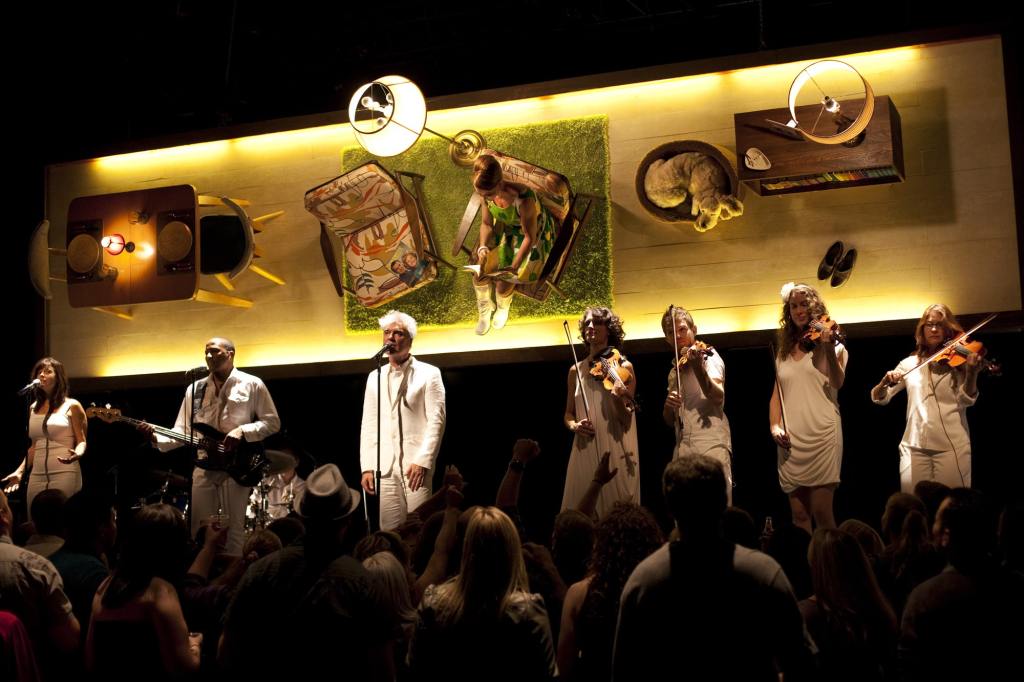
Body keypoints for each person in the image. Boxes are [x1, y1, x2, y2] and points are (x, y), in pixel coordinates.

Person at [612, 456, 816, 681]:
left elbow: (623, 673)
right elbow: (802, 663)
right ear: (723, 503)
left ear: (669, 508)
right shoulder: (763, 573)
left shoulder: (644, 581)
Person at [140, 337, 280, 556]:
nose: (208, 356)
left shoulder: (252, 384)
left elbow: (272, 422)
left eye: (215, 351)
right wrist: (156, 438)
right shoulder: (195, 389)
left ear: (230, 354)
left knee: (234, 529)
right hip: (205, 464)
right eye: (206, 352)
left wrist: (243, 431)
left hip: (237, 465)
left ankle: (232, 572)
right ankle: (202, 571)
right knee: (199, 528)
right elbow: (183, 431)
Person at [409, 506, 557, 681]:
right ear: (511, 551)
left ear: (466, 550)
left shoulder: (433, 603)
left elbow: (413, 669)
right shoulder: (528, 611)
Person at [871, 304, 982, 491]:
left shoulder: (958, 364)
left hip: (952, 447)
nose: (934, 329)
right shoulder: (909, 364)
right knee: (913, 503)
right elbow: (880, 397)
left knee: (951, 504)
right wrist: (884, 382)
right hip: (913, 446)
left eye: (939, 325)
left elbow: (967, 400)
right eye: (929, 324)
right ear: (922, 329)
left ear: (948, 329)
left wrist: (972, 374)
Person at [85, 503, 198, 678]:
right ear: (174, 548)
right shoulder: (160, 591)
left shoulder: (105, 587)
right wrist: (195, 645)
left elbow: (90, 661)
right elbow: (182, 667)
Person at [769, 282, 848, 531]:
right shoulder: (783, 352)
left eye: (804, 304)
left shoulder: (834, 345)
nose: (799, 310)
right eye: (793, 306)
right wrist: (774, 426)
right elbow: (777, 394)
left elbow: (837, 381)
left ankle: (829, 558)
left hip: (822, 432)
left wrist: (827, 347)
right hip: (792, 438)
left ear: (814, 307)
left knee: (823, 513)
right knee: (799, 515)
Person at [361, 310, 446, 531]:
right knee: (390, 532)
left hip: (415, 465)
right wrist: (367, 467)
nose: (390, 337)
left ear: (410, 340)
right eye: (387, 332)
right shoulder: (375, 376)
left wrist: (424, 460)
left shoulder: (429, 373)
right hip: (384, 467)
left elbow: (436, 421)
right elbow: (369, 424)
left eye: (398, 333)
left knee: (419, 527)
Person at [562, 307, 639, 518]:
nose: (590, 327)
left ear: (609, 329)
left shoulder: (624, 367)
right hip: (584, 447)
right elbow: (568, 414)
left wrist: (616, 398)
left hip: (614, 446)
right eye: (587, 323)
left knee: (614, 516)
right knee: (579, 518)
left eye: (597, 322)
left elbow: (626, 419)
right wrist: (574, 426)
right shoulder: (575, 371)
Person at [470, 154, 557, 335]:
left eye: (488, 194)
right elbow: (486, 223)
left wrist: (514, 266)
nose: (484, 198)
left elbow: (530, 238)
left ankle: (503, 307)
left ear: (500, 183)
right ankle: (485, 307)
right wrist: (483, 246)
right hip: (508, 225)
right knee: (479, 273)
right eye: (480, 193)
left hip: (531, 233)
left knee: (504, 283)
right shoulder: (486, 195)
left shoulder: (523, 200)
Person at [661, 305, 733, 503]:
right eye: (671, 332)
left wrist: (698, 367)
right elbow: (668, 421)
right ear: (667, 339)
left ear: (694, 329)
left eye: (682, 329)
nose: (677, 335)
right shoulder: (674, 371)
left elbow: (718, 397)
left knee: (716, 507)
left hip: (710, 441)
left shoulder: (708, 356)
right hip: (683, 445)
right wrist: (668, 406)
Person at [3, 358, 88, 519]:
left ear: (58, 377)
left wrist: (78, 453)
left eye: (48, 371)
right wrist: (20, 472)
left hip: (65, 471)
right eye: (39, 372)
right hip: (37, 474)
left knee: (63, 519)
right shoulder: (33, 408)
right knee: (34, 519)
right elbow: (34, 446)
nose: (42, 375)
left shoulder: (72, 405)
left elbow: (82, 441)